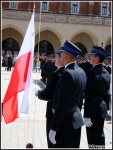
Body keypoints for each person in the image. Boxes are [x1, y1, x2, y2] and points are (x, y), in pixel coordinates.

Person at [49, 39, 87, 148]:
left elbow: (62, 103)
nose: (60, 56)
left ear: (65, 55)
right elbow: (79, 99)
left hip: (65, 123)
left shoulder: (67, 74)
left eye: (61, 54)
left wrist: (53, 128)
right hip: (76, 119)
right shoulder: (80, 71)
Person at [35, 49, 64, 148]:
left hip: (54, 111)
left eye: (57, 56)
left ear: (62, 58)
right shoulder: (75, 72)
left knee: (53, 144)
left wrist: (38, 93)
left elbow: (48, 94)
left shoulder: (57, 74)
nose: (55, 58)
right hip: (69, 115)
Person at [83, 46, 110, 148]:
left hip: (93, 109)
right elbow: (107, 93)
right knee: (100, 136)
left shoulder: (91, 73)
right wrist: (106, 108)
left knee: (93, 139)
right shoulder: (106, 72)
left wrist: (86, 115)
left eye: (92, 55)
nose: (90, 57)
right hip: (102, 107)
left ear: (97, 58)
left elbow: (89, 95)